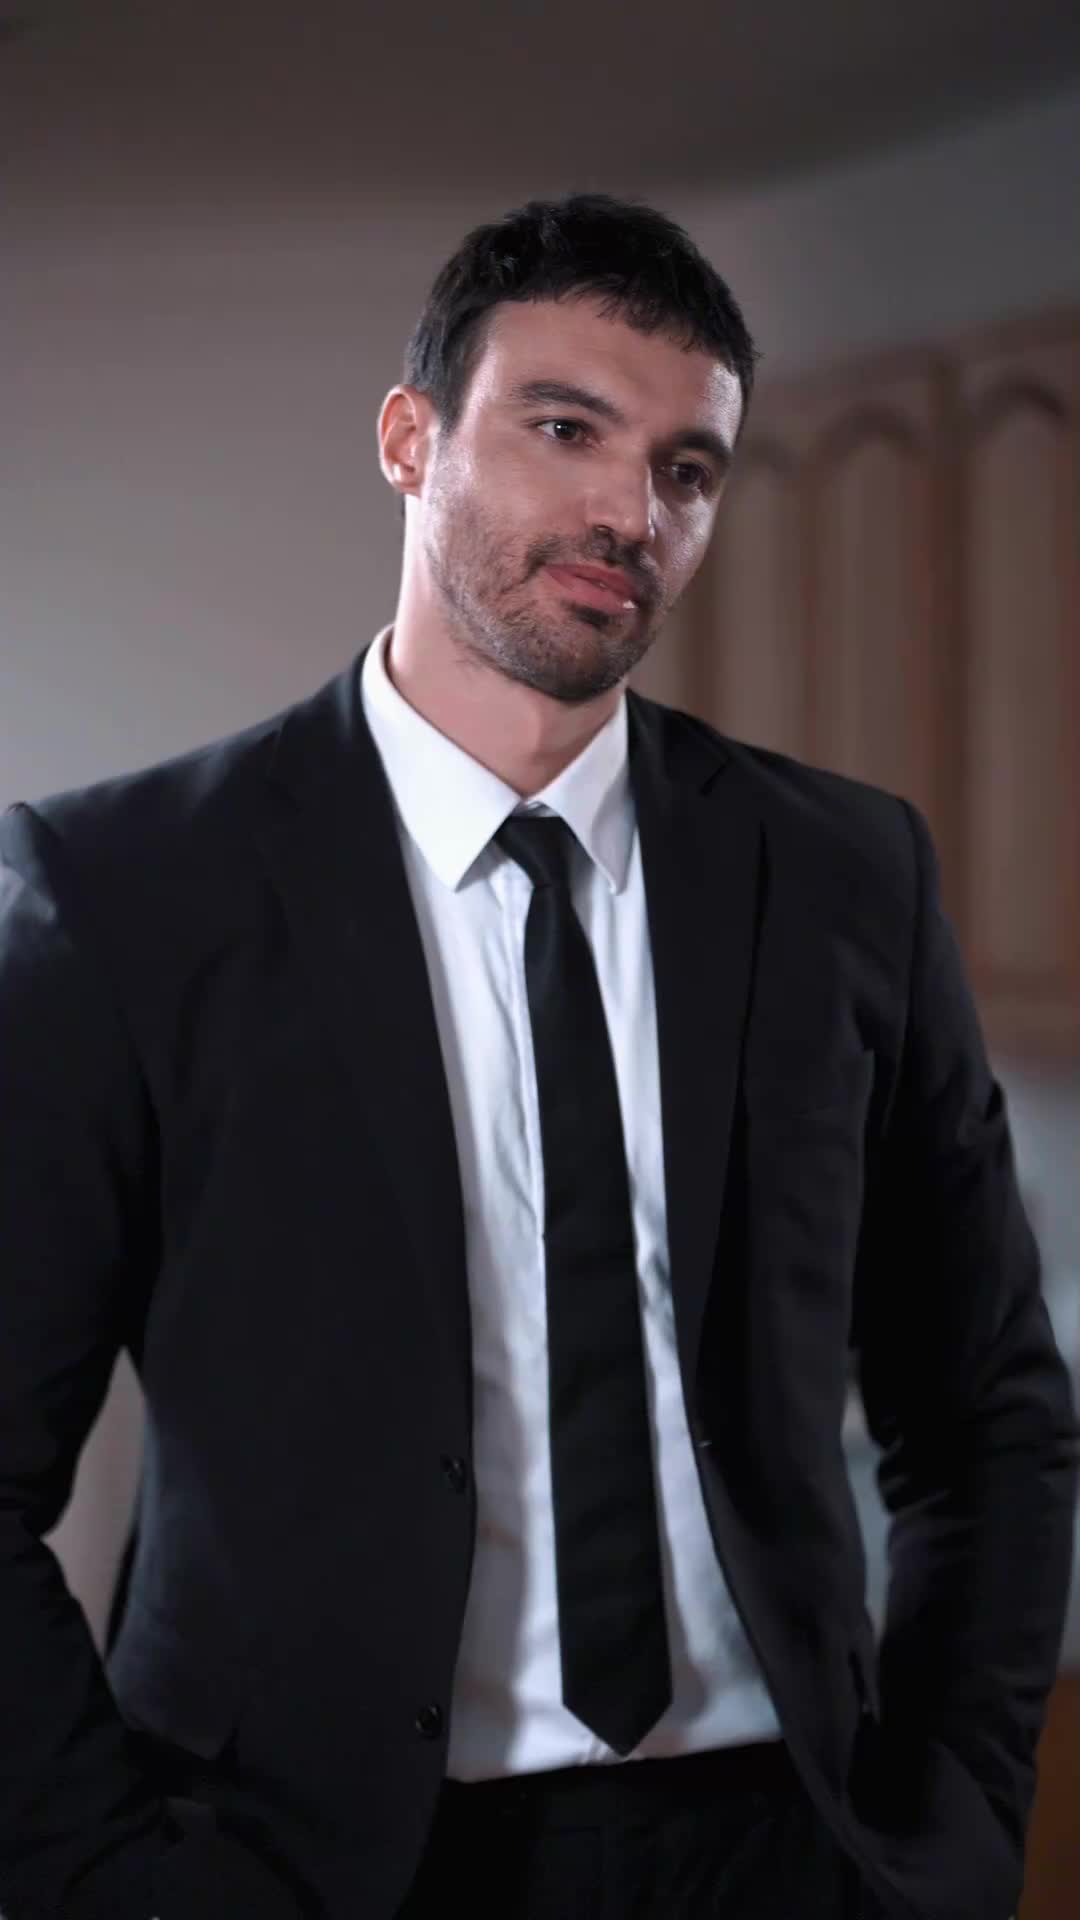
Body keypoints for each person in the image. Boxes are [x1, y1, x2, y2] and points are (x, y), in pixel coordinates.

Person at [0, 192, 1076, 1920]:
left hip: (782, 1848)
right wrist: (110, 1882)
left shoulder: (844, 877)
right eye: (566, 429)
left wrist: (951, 1841)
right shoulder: (125, 892)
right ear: (408, 440)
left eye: (687, 468)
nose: (627, 511)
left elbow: (988, 1420)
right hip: (312, 1867)